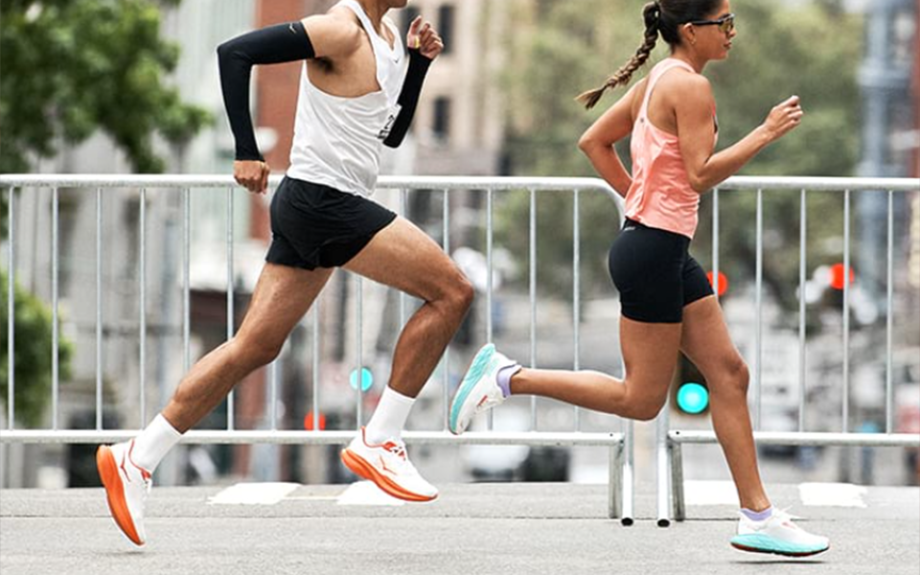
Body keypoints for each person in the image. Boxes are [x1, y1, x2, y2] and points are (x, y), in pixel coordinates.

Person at [449, 0, 830, 558]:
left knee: (729, 373)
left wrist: (638, 198)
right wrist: (764, 134)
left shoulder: (659, 80)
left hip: (660, 246)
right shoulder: (689, 88)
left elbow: (593, 143)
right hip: (653, 251)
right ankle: (508, 377)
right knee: (640, 399)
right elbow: (699, 175)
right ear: (691, 31)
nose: (731, 32)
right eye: (722, 23)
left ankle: (760, 516)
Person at [97, 0, 472, 546]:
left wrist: (417, 66)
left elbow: (387, 135)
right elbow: (235, 52)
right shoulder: (339, 29)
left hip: (321, 206)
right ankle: (382, 437)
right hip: (325, 202)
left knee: (253, 347)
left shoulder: (389, 36)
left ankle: (137, 455)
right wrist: (246, 150)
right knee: (453, 290)